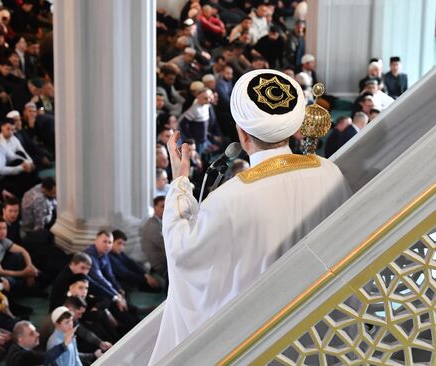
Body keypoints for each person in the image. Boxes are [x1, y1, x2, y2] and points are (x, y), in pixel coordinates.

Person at [149, 69, 352, 364]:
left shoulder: (230, 199)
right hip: (324, 331)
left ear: (242, 134)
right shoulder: (328, 171)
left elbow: (183, 252)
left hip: (259, 340)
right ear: (294, 129)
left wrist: (180, 181)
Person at [0, 216, 40, 289]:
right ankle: (29, 287)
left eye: (4, 228)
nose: (3, 231)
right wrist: (24, 273)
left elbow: (23, 251)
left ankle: (30, 281)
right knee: (10, 281)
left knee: (18, 256)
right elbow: (0, 272)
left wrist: (29, 267)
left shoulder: (2, 239)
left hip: (0, 267)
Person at [141, 196, 167, 277]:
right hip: (159, 266)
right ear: (155, 208)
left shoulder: (162, 222)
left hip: (166, 262)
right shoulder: (152, 225)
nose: (166, 209)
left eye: (167, 206)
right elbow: (166, 246)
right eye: (162, 206)